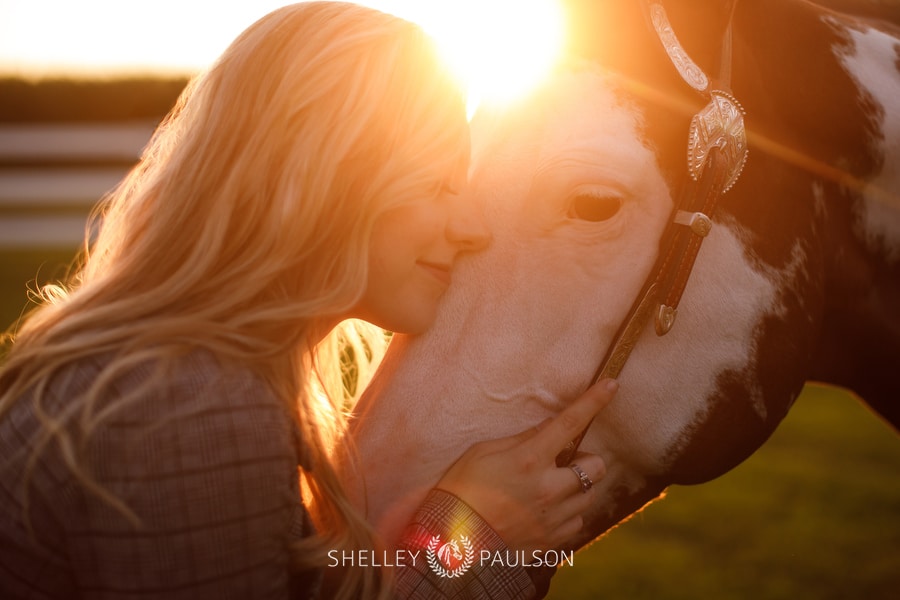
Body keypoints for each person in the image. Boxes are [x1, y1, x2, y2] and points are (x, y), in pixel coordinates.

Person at [0, 3, 616, 599]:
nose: (474, 228)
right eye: (436, 182)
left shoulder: (188, 375)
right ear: (324, 179)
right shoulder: (188, 409)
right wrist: (470, 547)